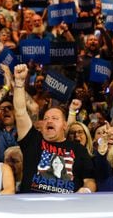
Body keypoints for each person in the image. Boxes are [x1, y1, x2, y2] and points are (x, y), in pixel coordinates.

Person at [13, 64, 97, 194]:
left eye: (55, 118)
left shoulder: (78, 149)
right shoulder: (33, 141)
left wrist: (86, 190)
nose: (49, 121)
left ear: (64, 125)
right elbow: (20, 112)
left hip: (66, 209)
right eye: (46, 118)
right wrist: (19, 83)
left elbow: (89, 180)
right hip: (32, 208)